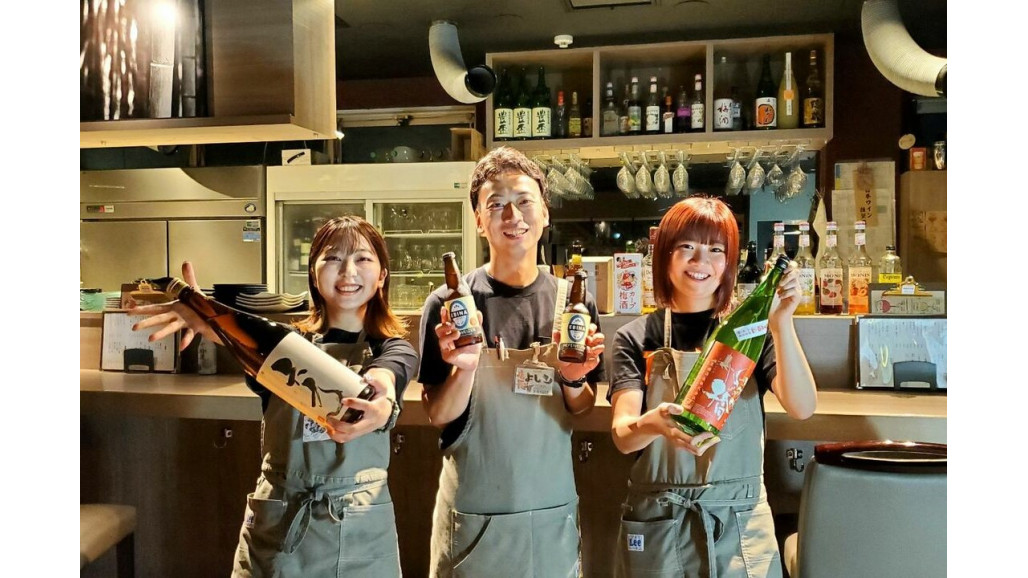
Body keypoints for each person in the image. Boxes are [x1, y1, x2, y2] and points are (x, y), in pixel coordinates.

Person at [130, 216, 418, 577]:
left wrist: (382, 396)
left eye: (362, 258)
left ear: (382, 276)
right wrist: (207, 316)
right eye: (333, 258)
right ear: (313, 274)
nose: (348, 271)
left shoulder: (393, 349)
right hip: (279, 520)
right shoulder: (281, 348)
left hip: (359, 527)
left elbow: (389, 372)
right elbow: (242, 337)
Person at [418, 146, 606, 577]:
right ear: (478, 220)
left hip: (551, 515)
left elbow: (581, 408)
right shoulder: (451, 305)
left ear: (545, 213)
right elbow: (438, 414)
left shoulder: (572, 304)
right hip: (473, 519)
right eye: (496, 205)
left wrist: (573, 380)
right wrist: (464, 366)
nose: (512, 216)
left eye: (524, 201)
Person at [608, 197, 816, 577]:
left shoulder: (751, 333)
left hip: (739, 523)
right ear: (664, 255)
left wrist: (782, 324)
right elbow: (623, 436)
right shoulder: (634, 337)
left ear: (730, 262)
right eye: (687, 246)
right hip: (659, 521)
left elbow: (802, 407)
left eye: (715, 250)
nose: (700, 260)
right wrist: (654, 423)